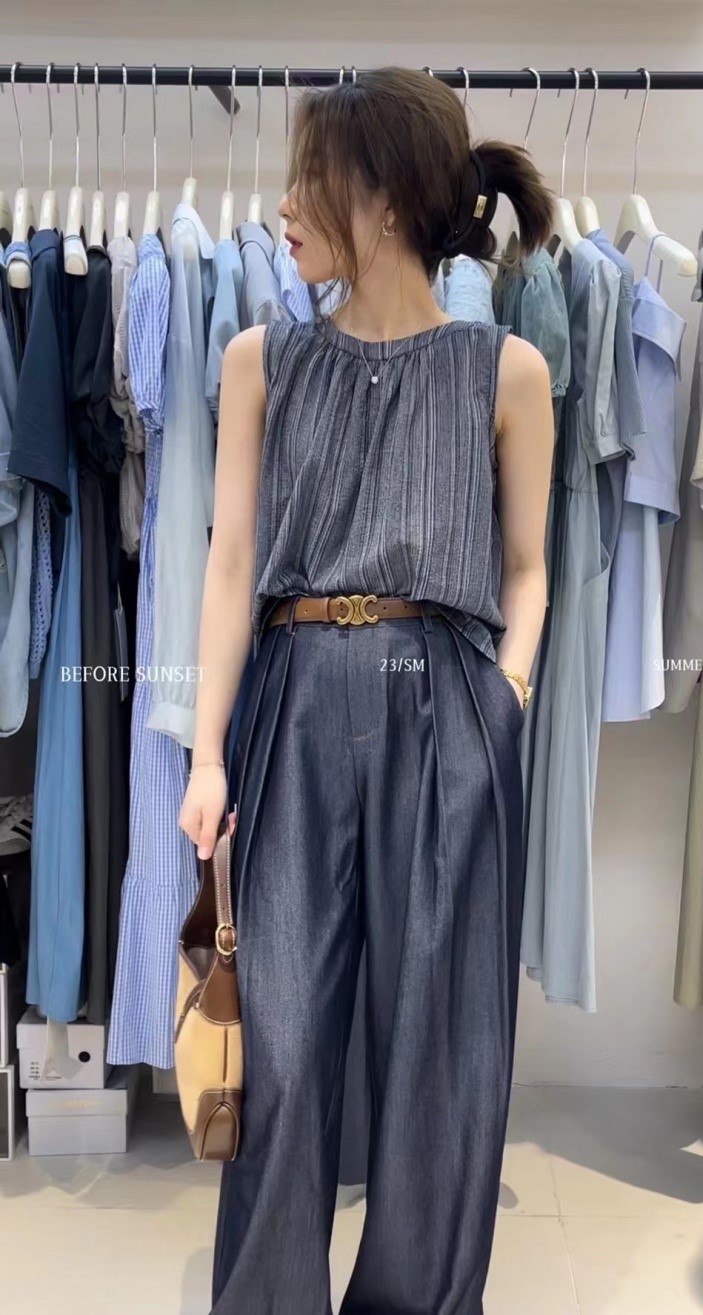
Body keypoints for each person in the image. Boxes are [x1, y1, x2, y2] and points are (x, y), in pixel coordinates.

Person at [180, 66, 554, 1315]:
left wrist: (503, 698)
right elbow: (230, 561)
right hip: (293, 702)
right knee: (280, 1048)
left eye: (310, 181)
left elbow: (527, 568)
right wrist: (207, 754)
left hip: (446, 709)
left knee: (439, 1053)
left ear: (384, 196)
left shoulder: (505, 372)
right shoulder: (260, 359)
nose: (283, 207)